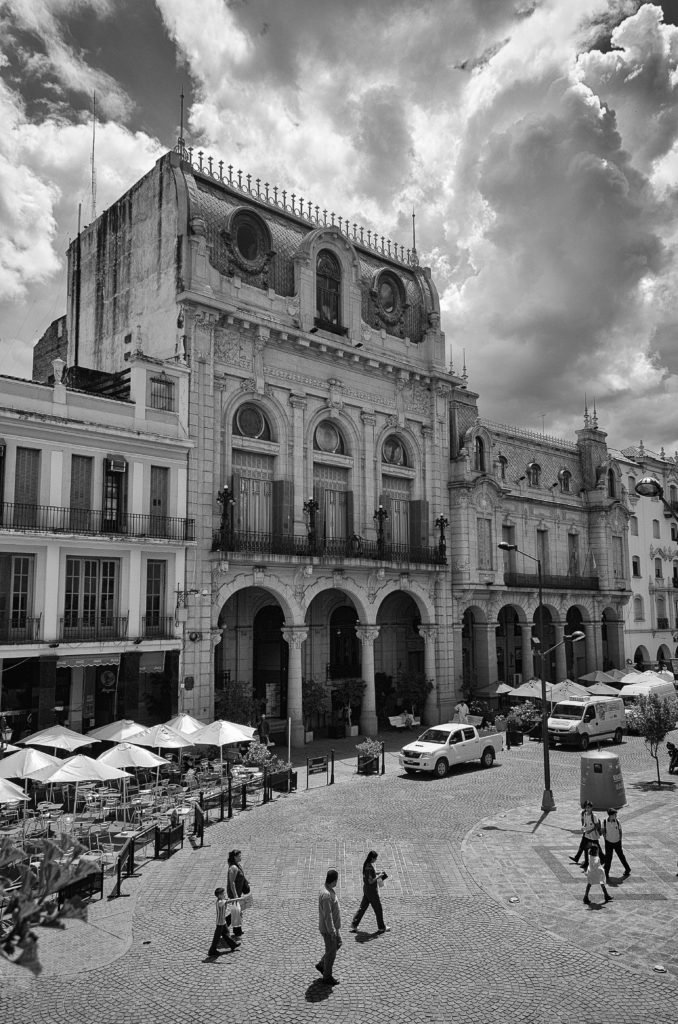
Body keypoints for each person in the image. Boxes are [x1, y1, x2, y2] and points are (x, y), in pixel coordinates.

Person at [349, 850, 389, 934]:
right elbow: (370, 881)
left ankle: (354, 924)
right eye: (375, 858)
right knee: (378, 908)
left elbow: (369, 875)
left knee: (362, 907)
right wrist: (379, 876)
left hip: (366, 889)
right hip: (371, 891)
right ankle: (381, 927)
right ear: (372, 858)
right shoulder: (369, 867)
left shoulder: (366, 864)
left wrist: (378, 873)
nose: (376, 860)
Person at [316, 868, 342, 986]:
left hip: (334, 928)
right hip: (328, 930)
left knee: (337, 944)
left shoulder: (327, 889)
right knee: (331, 953)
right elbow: (328, 916)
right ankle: (327, 977)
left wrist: (337, 930)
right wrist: (332, 932)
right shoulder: (326, 895)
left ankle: (322, 964)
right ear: (333, 881)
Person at [569, 801, 602, 870]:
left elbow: (596, 826)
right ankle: (586, 863)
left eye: (589, 808)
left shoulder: (594, 816)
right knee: (585, 848)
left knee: (598, 848)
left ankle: (603, 858)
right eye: (586, 807)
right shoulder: (585, 814)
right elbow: (585, 823)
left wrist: (590, 830)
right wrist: (583, 827)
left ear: (591, 808)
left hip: (593, 836)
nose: (587, 809)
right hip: (587, 835)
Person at [207, 887, 239, 957]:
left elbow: (226, 901)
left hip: (223, 922)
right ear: (219, 895)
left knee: (226, 934)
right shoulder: (220, 902)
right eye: (223, 893)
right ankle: (212, 951)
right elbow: (225, 902)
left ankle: (233, 945)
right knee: (217, 937)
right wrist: (236, 899)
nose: (224, 894)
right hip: (219, 923)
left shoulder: (222, 900)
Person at [602, 808, 630, 880]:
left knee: (621, 856)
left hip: (617, 842)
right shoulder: (605, 822)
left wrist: (619, 839)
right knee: (608, 858)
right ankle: (606, 873)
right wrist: (606, 838)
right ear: (611, 815)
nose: (616, 816)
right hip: (608, 843)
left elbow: (620, 831)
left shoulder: (617, 822)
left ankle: (627, 869)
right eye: (615, 814)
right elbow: (603, 831)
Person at [227, 849, 250, 937]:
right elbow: (232, 882)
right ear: (235, 857)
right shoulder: (233, 868)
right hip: (234, 893)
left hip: (238, 891)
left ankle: (237, 930)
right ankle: (225, 927)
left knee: (237, 910)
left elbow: (241, 875)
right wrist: (235, 896)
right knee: (236, 911)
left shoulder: (238, 865)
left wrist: (246, 881)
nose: (241, 857)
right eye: (239, 856)